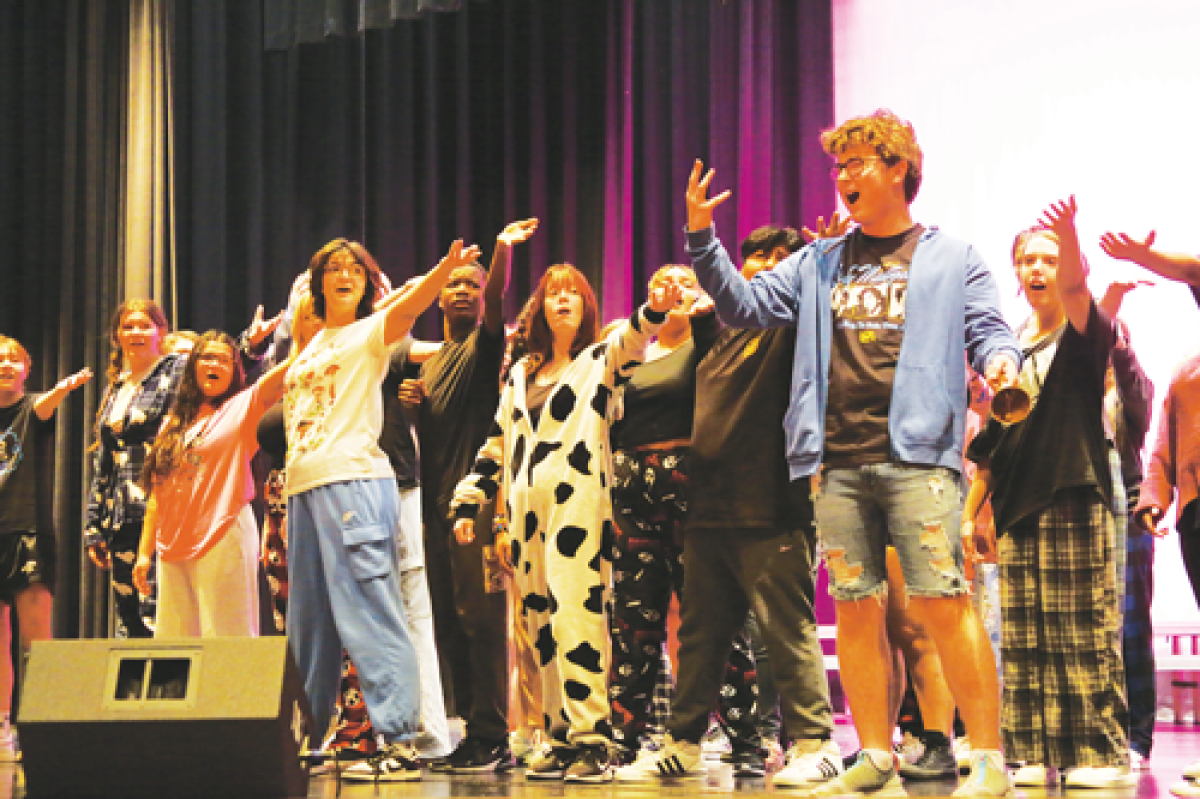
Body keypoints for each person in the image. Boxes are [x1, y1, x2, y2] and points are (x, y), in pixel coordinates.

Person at [680, 109, 1020, 797]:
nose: (842, 177)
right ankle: (872, 750)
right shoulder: (819, 261)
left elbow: (991, 330)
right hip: (835, 461)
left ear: (898, 168)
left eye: (857, 162)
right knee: (857, 607)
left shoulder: (952, 257)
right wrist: (700, 239)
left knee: (945, 601)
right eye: (838, 166)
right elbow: (744, 305)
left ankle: (985, 755)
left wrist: (1005, 365)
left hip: (919, 458)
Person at [628, 225, 841, 789]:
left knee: (786, 630)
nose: (763, 267)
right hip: (709, 507)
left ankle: (816, 743)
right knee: (701, 633)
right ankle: (683, 742)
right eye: (754, 258)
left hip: (770, 504)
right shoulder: (719, 338)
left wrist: (826, 259)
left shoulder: (791, 328)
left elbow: (824, 301)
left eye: (779, 259)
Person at [451, 264, 681, 783]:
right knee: (539, 629)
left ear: (585, 307)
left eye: (572, 295)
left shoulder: (599, 360)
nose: (562, 301)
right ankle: (557, 736)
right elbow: (495, 446)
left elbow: (634, 334)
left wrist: (657, 307)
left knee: (576, 617)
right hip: (526, 514)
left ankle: (593, 737)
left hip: (577, 504)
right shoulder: (518, 376)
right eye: (553, 293)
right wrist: (470, 503)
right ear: (539, 308)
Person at [283, 236, 481, 782]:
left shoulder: (370, 332)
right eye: (333, 268)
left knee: (371, 611)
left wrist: (444, 270)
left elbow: (411, 305)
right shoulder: (312, 343)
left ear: (368, 282)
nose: (343, 275)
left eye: (354, 268)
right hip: (304, 488)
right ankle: (307, 732)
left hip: (354, 483)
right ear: (318, 282)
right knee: (310, 623)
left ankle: (398, 737)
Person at [966, 204, 1134, 789]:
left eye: (1049, 259)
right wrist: (973, 514)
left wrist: (1070, 242)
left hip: (1070, 490)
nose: (1038, 268)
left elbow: (1078, 291)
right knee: (1022, 634)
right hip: (1014, 502)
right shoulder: (1007, 346)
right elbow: (989, 442)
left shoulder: (1084, 333)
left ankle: (1095, 751)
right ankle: (1030, 749)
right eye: (1027, 259)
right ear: (1015, 271)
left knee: (1079, 628)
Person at [407, 219, 537, 774]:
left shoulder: (487, 348)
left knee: (481, 618)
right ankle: (469, 732)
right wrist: (412, 406)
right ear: (437, 295)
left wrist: (503, 251)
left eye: (472, 284)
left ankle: (493, 735)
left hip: (474, 503)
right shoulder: (430, 362)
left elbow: (500, 298)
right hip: (433, 506)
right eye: (453, 283)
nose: (462, 289)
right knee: (449, 619)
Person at [602, 264, 721, 762]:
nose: (676, 292)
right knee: (634, 619)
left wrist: (708, 318)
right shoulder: (629, 350)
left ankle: (731, 736)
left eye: (686, 284)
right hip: (631, 496)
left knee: (705, 614)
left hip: (692, 493)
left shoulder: (710, 344)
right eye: (663, 284)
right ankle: (626, 738)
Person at [132, 331, 290, 636]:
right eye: (206, 357)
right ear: (193, 366)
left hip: (221, 533)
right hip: (172, 544)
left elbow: (277, 380)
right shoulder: (173, 423)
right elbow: (157, 493)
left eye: (223, 359)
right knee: (175, 649)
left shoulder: (242, 407)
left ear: (233, 371)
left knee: (225, 644)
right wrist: (143, 552)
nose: (214, 363)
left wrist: (320, 338)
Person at [0, 336, 90, 758]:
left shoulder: (32, 408)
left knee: (36, 634)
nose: (5, 365)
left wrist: (62, 390)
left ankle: (43, 724)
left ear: (26, 368)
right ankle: (3, 727)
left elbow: (46, 406)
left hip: (27, 531)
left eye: (13, 359)